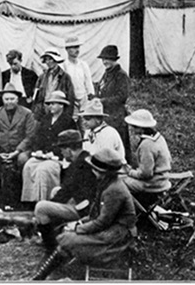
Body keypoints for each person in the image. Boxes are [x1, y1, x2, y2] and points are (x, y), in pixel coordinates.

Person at [32, 148, 137, 280]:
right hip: (110, 230)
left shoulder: (114, 190)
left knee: (68, 238)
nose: (92, 171)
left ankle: (41, 276)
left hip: (116, 236)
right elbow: (95, 214)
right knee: (67, 235)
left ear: (103, 172)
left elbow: (102, 222)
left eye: (95, 169)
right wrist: (78, 223)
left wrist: (78, 228)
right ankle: (43, 275)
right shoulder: (106, 184)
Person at [33, 130, 96, 252]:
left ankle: (51, 246)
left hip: (85, 209)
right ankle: (56, 232)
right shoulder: (85, 158)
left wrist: (48, 206)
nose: (61, 152)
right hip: (86, 202)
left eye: (62, 149)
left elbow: (66, 192)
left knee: (41, 208)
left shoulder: (79, 165)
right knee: (55, 191)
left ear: (69, 149)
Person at [21, 91, 77, 205]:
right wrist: (38, 150)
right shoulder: (46, 119)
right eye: (49, 104)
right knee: (29, 166)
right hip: (43, 155)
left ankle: (43, 201)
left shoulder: (68, 121)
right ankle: (29, 201)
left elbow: (69, 143)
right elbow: (38, 137)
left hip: (58, 157)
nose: (50, 106)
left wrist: (55, 153)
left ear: (61, 105)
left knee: (43, 170)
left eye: (53, 104)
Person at [0, 83, 36, 209]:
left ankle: (21, 199)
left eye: (12, 99)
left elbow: (30, 136)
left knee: (22, 160)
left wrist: (17, 151)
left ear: (17, 99)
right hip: (1, 149)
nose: (9, 102)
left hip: (20, 149)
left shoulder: (27, 113)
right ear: (2, 100)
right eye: (6, 99)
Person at [95, 45, 131, 163]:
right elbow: (103, 90)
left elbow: (122, 97)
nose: (105, 62)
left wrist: (103, 101)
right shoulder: (106, 74)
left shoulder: (121, 75)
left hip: (117, 116)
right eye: (103, 59)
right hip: (106, 114)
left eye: (108, 59)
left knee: (118, 143)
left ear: (115, 59)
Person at [123, 109, 171, 194]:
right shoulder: (159, 137)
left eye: (134, 126)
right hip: (163, 179)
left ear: (141, 128)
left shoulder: (146, 145)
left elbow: (146, 174)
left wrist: (129, 171)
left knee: (119, 181)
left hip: (153, 184)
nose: (132, 128)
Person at [32, 47, 76, 122]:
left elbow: (70, 98)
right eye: (46, 59)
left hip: (59, 112)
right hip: (43, 112)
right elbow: (36, 97)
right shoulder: (42, 77)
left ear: (56, 60)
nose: (48, 62)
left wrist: (67, 116)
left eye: (50, 59)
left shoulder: (65, 77)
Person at [61, 37, 95, 118]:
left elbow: (88, 82)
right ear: (67, 49)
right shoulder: (63, 66)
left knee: (85, 123)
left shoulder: (83, 65)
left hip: (83, 100)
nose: (77, 50)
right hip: (71, 100)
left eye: (78, 47)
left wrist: (91, 96)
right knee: (73, 123)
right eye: (74, 47)